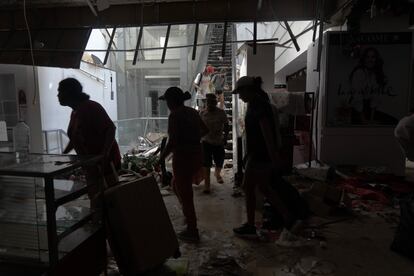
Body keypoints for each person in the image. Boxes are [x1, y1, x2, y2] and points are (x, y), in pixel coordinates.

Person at [232, 76, 305, 244]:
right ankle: (289, 218)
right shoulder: (257, 103)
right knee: (264, 188)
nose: (240, 96)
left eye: (241, 92)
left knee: (248, 187)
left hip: (260, 155)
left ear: (249, 90)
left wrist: (273, 157)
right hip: (258, 154)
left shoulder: (258, 106)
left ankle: (250, 226)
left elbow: (267, 133)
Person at [58, 78, 121, 207]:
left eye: (60, 91)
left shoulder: (91, 107)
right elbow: (74, 138)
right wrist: (63, 155)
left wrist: (104, 154)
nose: (58, 95)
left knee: (111, 200)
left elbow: (110, 129)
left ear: (69, 93)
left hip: (104, 164)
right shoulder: (75, 112)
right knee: (97, 198)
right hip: (91, 164)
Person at [159, 87, 208, 242]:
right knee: (175, 185)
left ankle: (192, 230)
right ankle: (188, 216)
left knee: (186, 195)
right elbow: (205, 130)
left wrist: (161, 158)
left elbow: (172, 141)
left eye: (167, 101)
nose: (167, 104)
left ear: (171, 101)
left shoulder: (175, 116)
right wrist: (192, 138)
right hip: (196, 154)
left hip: (183, 158)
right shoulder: (192, 112)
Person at [348, 47, 397, 125]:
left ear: (376, 59)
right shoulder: (359, 73)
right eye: (367, 57)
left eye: (373, 57)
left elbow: (375, 97)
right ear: (364, 59)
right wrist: (364, 121)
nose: (370, 60)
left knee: (393, 122)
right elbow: (357, 98)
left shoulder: (375, 74)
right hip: (358, 111)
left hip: (369, 110)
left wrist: (371, 119)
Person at [200, 93, 229, 193]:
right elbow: (198, 126)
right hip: (206, 141)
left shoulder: (221, 113)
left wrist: (225, 137)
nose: (210, 104)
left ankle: (217, 173)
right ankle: (207, 186)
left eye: (213, 102)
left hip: (218, 141)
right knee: (206, 163)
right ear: (206, 103)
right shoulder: (202, 113)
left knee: (219, 160)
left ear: (216, 103)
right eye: (209, 102)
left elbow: (226, 125)